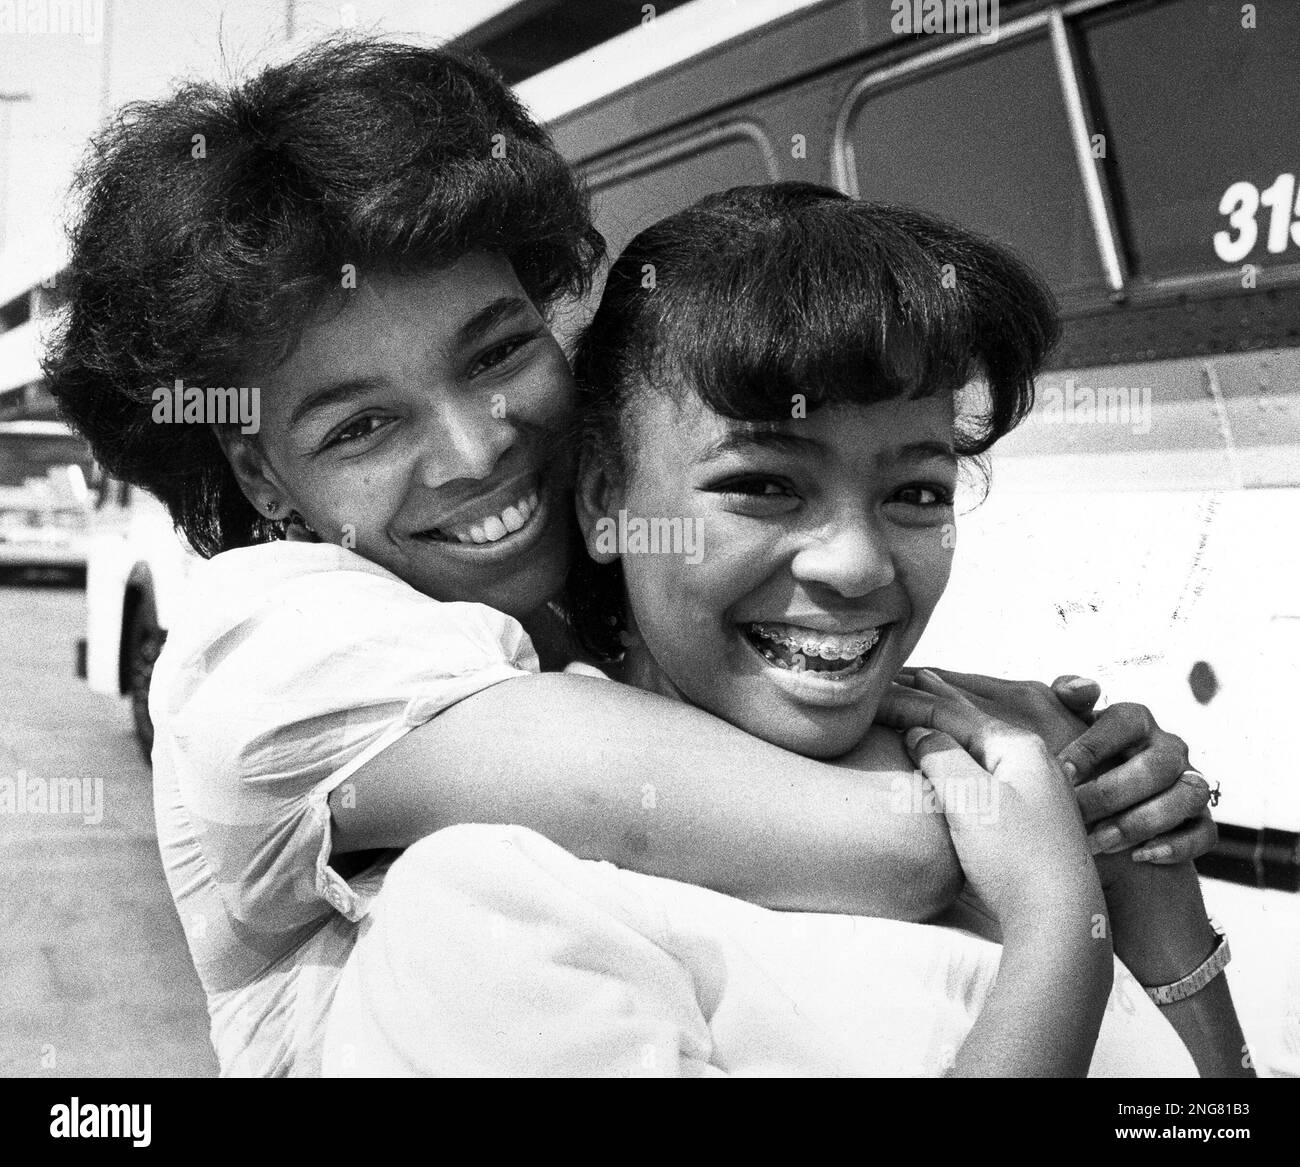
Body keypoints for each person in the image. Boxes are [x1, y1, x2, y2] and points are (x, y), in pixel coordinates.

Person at [43, 38, 1218, 1077]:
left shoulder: (594, 629)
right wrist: (1050, 797)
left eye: (499, 352)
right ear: (259, 476)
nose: (473, 451)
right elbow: (893, 846)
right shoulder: (274, 650)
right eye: (361, 426)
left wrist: (1133, 865)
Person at [319, 185, 1248, 1076]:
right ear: (606, 495)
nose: (857, 564)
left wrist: (1152, 897)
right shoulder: (494, 903)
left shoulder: (1005, 783)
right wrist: (1058, 933)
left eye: (915, 492)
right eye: (762, 485)